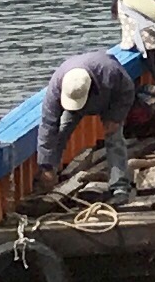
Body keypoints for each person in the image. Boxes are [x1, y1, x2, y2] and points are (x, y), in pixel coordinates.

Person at [49, 45, 145, 202]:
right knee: (59, 132)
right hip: (75, 104)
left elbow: (127, 91)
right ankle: (50, 176)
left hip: (109, 99)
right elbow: (48, 124)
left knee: (114, 138)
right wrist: (46, 164)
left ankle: (119, 187)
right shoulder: (56, 85)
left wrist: (116, 117)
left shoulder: (110, 72)